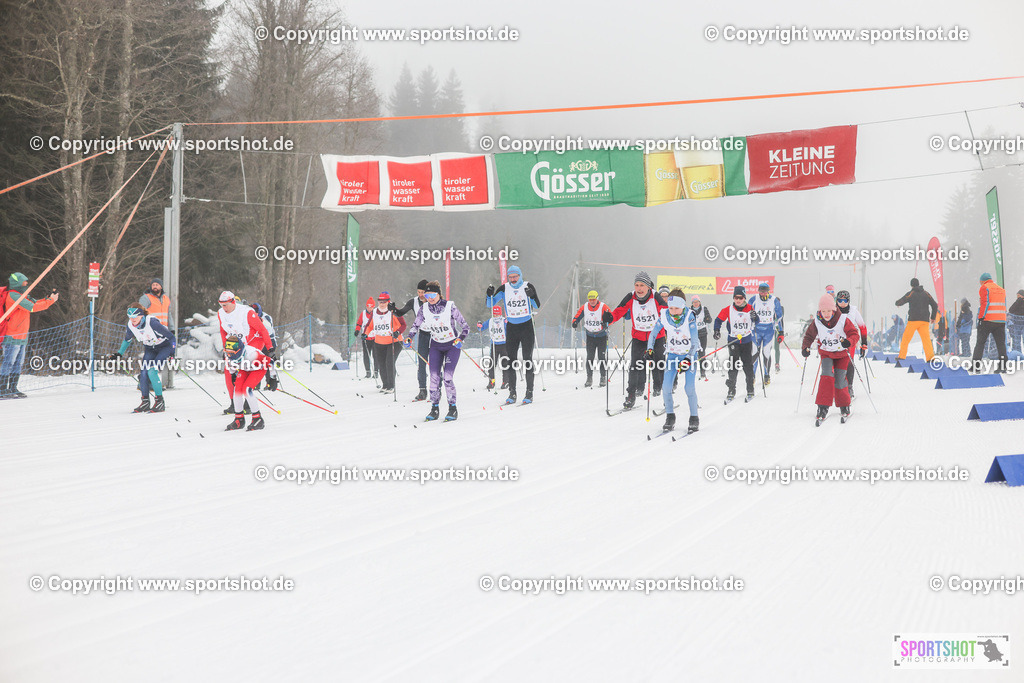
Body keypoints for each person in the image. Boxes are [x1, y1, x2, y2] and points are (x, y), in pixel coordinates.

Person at [406, 281, 469, 421]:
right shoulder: (424, 309)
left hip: (452, 345)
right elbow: (415, 325)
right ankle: (434, 409)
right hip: (435, 346)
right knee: (434, 378)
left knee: (447, 377)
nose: (430, 298)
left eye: (433, 294)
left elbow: (465, 326)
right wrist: (409, 337)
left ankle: (452, 408)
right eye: (427, 295)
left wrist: (460, 339)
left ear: (439, 294)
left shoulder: (449, 306)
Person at [606, 271, 666, 409]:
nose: (639, 288)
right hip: (638, 337)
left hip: (657, 337)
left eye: (642, 285)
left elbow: (665, 310)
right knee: (635, 366)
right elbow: (619, 311)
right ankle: (631, 395)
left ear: (648, 287)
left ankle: (665, 394)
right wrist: (610, 319)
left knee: (659, 365)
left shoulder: (655, 296)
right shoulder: (630, 296)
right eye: (637, 285)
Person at [648, 288, 700, 433]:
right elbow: (653, 333)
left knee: (689, 388)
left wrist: (688, 359)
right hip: (672, 355)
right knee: (666, 387)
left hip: (688, 355)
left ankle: (694, 418)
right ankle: (670, 417)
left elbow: (695, 341)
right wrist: (649, 349)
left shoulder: (689, 316)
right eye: (671, 307)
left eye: (677, 308)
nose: (673, 311)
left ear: (683, 306)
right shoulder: (664, 315)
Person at [801, 294, 860, 424]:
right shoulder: (817, 321)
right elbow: (809, 336)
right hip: (827, 353)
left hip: (842, 354)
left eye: (829, 311)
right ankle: (822, 407)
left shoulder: (843, 319)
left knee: (839, 379)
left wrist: (848, 342)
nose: (826, 314)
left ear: (834, 310)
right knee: (826, 376)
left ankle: (844, 405)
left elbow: (854, 334)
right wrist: (805, 347)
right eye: (823, 311)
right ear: (819, 311)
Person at [486, 265, 540, 405]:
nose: (513, 279)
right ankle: (512, 393)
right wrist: (489, 294)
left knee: (527, 359)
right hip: (512, 328)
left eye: (515, 277)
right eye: (510, 277)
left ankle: (529, 393)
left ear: (520, 275)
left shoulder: (528, 285)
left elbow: (537, 304)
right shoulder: (504, 288)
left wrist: (532, 295)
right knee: (511, 360)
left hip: (527, 326)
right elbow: (490, 304)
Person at [0, 272, 58, 398]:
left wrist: (47, 299)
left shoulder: (22, 295)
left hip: (22, 335)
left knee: (18, 363)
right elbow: (31, 307)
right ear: (17, 283)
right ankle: (2, 389)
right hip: (12, 335)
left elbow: (34, 302)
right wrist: (50, 302)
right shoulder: (14, 295)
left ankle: (13, 388)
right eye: (24, 282)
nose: (26, 283)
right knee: (8, 363)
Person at [111, 306, 176, 413]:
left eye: (135, 317)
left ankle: (160, 402)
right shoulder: (131, 325)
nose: (132, 319)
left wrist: (172, 354)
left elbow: (172, 337)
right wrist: (119, 354)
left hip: (164, 347)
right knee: (144, 374)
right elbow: (127, 340)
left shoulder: (152, 323)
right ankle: (145, 401)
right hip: (150, 348)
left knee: (152, 371)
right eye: (130, 317)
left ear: (141, 316)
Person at [216, 291, 272, 413]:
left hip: (253, 340)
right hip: (236, 343)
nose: (223, 307)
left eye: (225, 304)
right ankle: (233, 403)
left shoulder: (247, 313)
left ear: (233, 302)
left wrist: (270, 349)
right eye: (221, 304)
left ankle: (248, 402)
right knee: (228, 371)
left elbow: (263, 330)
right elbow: (223, 331)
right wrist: (226, 348)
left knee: (247, 367)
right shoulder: (221, 313)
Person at [713, 286, 759, 403]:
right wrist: (717, 331)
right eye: (736, 297)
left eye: (740, 297)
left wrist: (755, 317)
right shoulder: (728, 309)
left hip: (746, 341)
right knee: (733, 365)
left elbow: (756, 321)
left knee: (747, 365)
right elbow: (718, 320)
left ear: (744, 298)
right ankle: (731, 390)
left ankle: (750, 389)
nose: (738, 300)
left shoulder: (750, 308)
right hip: (733, 341)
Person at [223, 335, 272, 431]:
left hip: (258, 368)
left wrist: (272, 379)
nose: (229, 355)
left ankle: (258, 419)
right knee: (237, 390)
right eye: (227, 352)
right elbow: (231, 364)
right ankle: (239, 419)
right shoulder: (228, 355)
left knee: (246, 389)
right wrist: (233, 375)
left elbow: (271, 362)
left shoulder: (252, 354)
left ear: (238, 350)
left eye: (231, 353)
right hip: (245, 368)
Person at [393, 279, 430, 400]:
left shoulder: (434, 301)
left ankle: (437, 388)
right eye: (419, 292)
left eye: (423, 292)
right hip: (423, 334)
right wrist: (393, 309)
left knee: (435, 363)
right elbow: (400, 313)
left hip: (436, 335)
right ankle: (422, 390)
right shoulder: (413, 302)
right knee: (422, 363)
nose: (421, 295)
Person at [362, 292, 405, 393]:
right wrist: (365, 334)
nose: (382, 304)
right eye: (380, 302)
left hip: (394, 341)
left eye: (384, 302)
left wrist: (398, 332)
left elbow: (403, 324)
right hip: (379, 342)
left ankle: (391, 385)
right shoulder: (375, 312)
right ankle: (385, 385)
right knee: (381, 364)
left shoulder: (394, 311)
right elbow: (369, 325)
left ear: (388, 302)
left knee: (389, 362)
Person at [572, 290, 612, 388]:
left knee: (601, 357)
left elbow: (611, 318)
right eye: (590, 299)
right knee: (590, 357)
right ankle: (589, 378)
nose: (592, 301)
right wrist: (575, 321)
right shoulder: (585, 307)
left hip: (601, 336)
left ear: (597, 298)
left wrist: (606, 323)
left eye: (593, 299)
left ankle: (603, 377)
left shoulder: (603, 307)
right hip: (590, 336)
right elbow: (578, 316)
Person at [834, 290, 869, 398]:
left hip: (850, 340)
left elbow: (862, 327)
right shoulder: (832, 310)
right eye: (840, 300)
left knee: (849, 362)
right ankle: (836, 387)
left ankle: (849, 387)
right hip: (835, 339)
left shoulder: (853, 311)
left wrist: (864, 344)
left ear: (848, 301)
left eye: (845, 301)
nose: (842, 303)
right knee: (835, 362)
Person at [748, 282, 784, 386]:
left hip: (769, 330)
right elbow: (747, 313)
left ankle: (766, 375)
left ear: (768, 291)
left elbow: (780, 317)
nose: (763, 293)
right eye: (761, 291)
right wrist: (751, 318)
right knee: (754, 352)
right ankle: (752, 376)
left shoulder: (774, 300)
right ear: (758, 291)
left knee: (766, 353)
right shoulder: (753, 299)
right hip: (756, 330)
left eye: (765, 291)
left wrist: (781, 332)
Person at [895, 278, 938, 361]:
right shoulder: (926, 294)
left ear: (911, 285)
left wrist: (898, 303)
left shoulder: (911, 293)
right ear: (919, 284)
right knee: (926, 340)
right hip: (924, 321)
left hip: (913, 321)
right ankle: (930, 358)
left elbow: (902, 300)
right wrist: (933, 317)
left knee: (906, 339)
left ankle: (902, 356)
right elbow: (935, 305)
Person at [972, 273, 1007, 373]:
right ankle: (1003, 366)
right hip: (1000, 320)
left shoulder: (984, 288)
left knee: (980, 343)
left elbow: (985, 303)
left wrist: (981, 317)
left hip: (988, 320)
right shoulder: (1001, 289)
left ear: (983, 281)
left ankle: (976, 366)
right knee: (1001, 344)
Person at [250, 302, 279, 391]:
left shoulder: (266, 317)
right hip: (260, 342)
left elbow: (268, 329)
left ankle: (270, 383)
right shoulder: (251, 317)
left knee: (267, 363)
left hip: (269, 342)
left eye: (256, 311)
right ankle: (256, 384)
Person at [481, 304, 510, 390]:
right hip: (494, 344)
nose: (496, 316)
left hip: (504, 344)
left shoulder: (504, 320)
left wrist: (508, 323)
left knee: (505, 363)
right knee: (492, 364)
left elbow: (510, 329)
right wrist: (479, 325)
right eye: (494, 314)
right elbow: (481, 328)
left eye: (497, 314)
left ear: (500, 314)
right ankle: (491, 381)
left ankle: (506, 381)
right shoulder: (490, 321)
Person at [690, 295, 713, 381]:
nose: (696, 304)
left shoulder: (704, 309)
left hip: (703, 333)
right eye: (694, 302)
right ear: (692, 303)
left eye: (697, 302)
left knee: (702, 351)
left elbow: (710, 320)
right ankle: (692, 370)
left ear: (699, 302)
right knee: (693, 352)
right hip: (693, 334)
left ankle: (703, 371)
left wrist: (707, 319)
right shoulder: (689, 311)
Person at [355, 298, 376, 378]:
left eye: (371, 307)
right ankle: (368, 372)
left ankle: (376, 371)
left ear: (373, 307)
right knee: (366, 355)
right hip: (365, 338)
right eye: (368, 307)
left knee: (376, 355)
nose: (369, 309)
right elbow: (359, 323)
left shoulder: (376, 313)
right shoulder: (363, 313)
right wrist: (357, 330)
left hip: (375, 338)